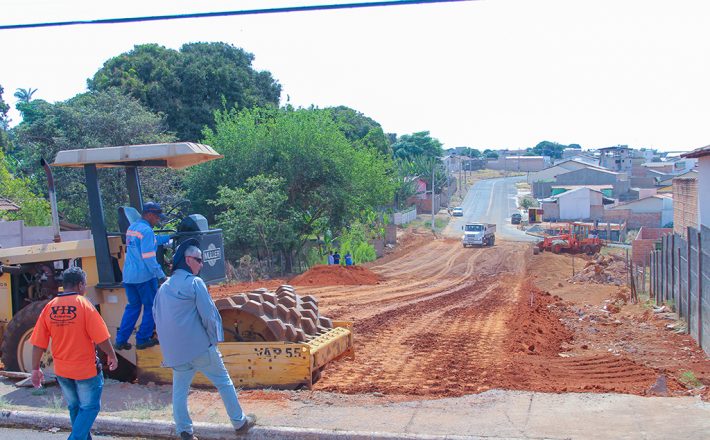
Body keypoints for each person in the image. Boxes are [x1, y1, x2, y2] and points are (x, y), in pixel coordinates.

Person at [153, 239, 256, 440]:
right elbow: (209, 315)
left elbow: (157, 318)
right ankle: (239, 422)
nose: (202, 264)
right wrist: (213, 341)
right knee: (223, 382)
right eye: (199, 260)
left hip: (176, 354)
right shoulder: (195, 283)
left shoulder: (163, 288)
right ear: (188, 260)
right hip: (200, 348)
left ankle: (184, 431)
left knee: (180, 390)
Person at [30, 267, 118, 440]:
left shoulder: (50, 307)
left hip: (62, 371)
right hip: (85, 370)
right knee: (90, 408)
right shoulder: (84, 305)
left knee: (75, 408)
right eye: (84, 285)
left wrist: (35, 369)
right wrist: (112, 355)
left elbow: (38, 343)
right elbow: (101, 337)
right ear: (79, 285)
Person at [115, 202, 171, 351]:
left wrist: (168, 237)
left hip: (129, 277)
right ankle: (142, 339)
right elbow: (148, 258)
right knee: (151, 307)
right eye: (157, 217)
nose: (158, 220)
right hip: (144, 277)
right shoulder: (146, 231)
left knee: (133, 307)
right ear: (150, 215)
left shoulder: (132, 228)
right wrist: (161, 275)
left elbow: (150, 241)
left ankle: (120, 340)